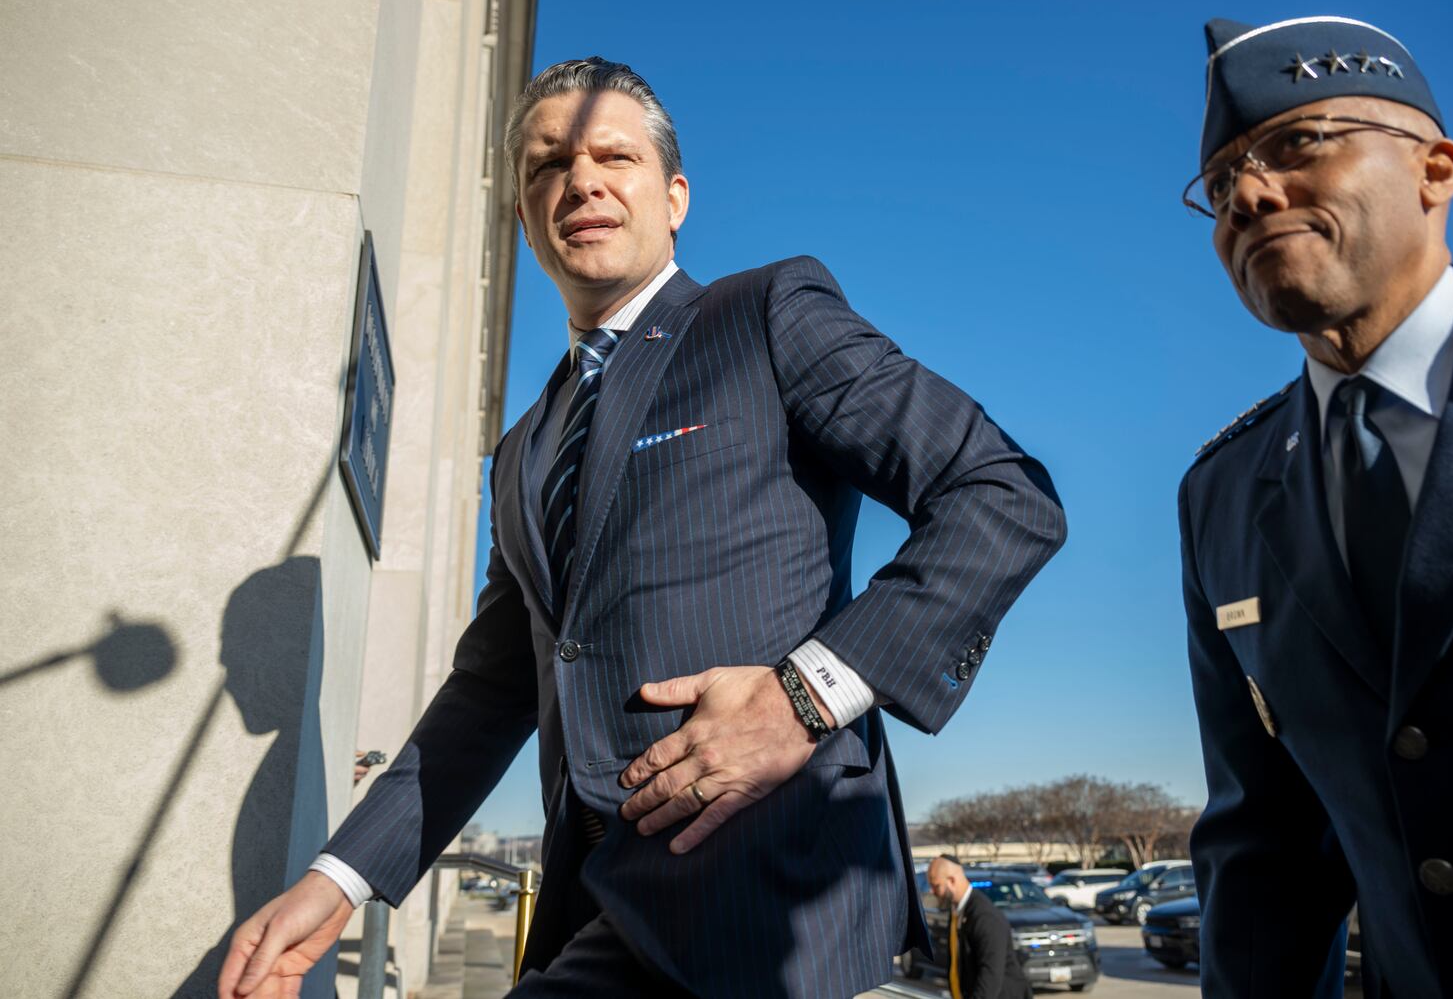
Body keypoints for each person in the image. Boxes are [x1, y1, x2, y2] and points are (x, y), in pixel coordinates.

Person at [218, 57, 1066, 999]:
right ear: (526, 219)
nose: (578, 179)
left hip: (768, 892)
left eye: (611, 155)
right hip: (600, 904)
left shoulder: (766, 316)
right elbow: (493, 687)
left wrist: (807, 694)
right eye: (546, 166)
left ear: (674, 196)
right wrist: (340, 879)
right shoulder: (526, 449)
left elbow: (999, 492)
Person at [1178, 14, 1453, 998]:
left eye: (1298, 144)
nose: (1247, 193)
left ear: (1436, 169)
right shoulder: (1225, 492)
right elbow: (1263, 843)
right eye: (1220, 184)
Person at [925, 856, 1032, 999]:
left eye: (936, 886)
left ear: (951, 881)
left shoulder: (984, 916)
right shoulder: (957, 910)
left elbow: (990, 976)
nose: (932, 891)